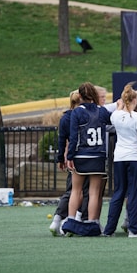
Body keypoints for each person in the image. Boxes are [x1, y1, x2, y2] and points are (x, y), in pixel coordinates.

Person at [62, 82, 113, 236]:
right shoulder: (102, 111)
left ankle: (70, 220)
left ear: (80, 96)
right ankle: (92, 223)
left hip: (81, 155)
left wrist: (69, 156)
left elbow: (73, 136)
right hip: (97, 155)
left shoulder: (77, 112)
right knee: (94, 192)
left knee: (76, 190)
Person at [103, 84, 137, 238]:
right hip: (135, 158)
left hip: (119, 158)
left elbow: (119, 107)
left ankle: (109, 230)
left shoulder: (115, 116)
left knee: (118, 192)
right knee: (135, 193)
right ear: (135, 100)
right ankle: (134, 229)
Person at [49, 90, 90, 236]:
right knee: (85, 191)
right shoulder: (85, 114)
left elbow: (62, 140)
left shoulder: (65, 117)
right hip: (83, 156)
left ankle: (57, 219)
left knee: (70, 190)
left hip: (70, 157)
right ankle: (78, 219)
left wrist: (61, 158)